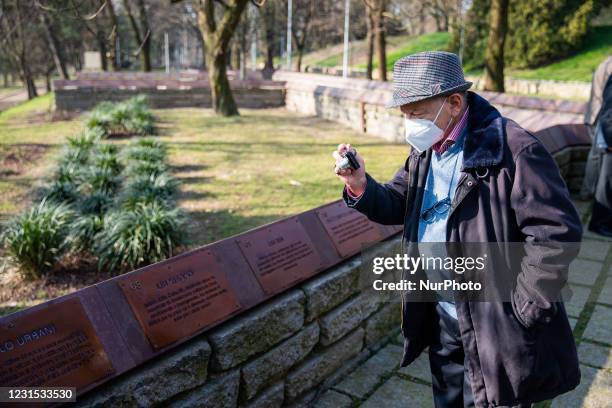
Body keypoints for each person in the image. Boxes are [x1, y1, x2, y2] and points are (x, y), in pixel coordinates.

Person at [333, 51, 582, 408]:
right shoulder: (426, 149)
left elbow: (555, 234)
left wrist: (524, 311)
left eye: (416, 112)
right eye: (405, 114)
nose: (410, 123)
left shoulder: (515, 149)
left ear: (453, 102)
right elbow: (400, 203)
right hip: (443, 318)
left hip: (497, 325)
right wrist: (360, 184)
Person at [582, 56, 612, 237]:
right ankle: (598, 217)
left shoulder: (607, 62)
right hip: (603, 122)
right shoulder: (610, 65)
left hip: (602, 121)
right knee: (604, 175)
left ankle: (588, 194)